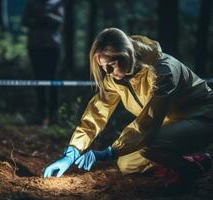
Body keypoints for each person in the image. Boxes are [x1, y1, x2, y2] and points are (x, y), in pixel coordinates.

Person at [43, 28, 213, 189]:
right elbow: (96, 112)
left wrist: (109, 151)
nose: (107, 72)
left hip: (202, 118)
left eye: (111, 65)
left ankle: (189, 171)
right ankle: (192, 160)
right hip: (167, 127)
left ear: (126, 55)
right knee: (126, 163)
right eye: (103, 67)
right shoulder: (116, 78)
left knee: (151, 145)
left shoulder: (164, 71)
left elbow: (148, 123)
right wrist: (72, 151)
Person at [22, 0, 64, 126]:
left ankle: (53, 115)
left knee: (53, 79)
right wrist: (36, 21)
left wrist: (48, 17)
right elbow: (24, 21)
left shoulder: (57, 2)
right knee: (38, 78)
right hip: (35, 45)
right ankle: (40, 114)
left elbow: (60, 21)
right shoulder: (31, 3)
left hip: (52, 45)